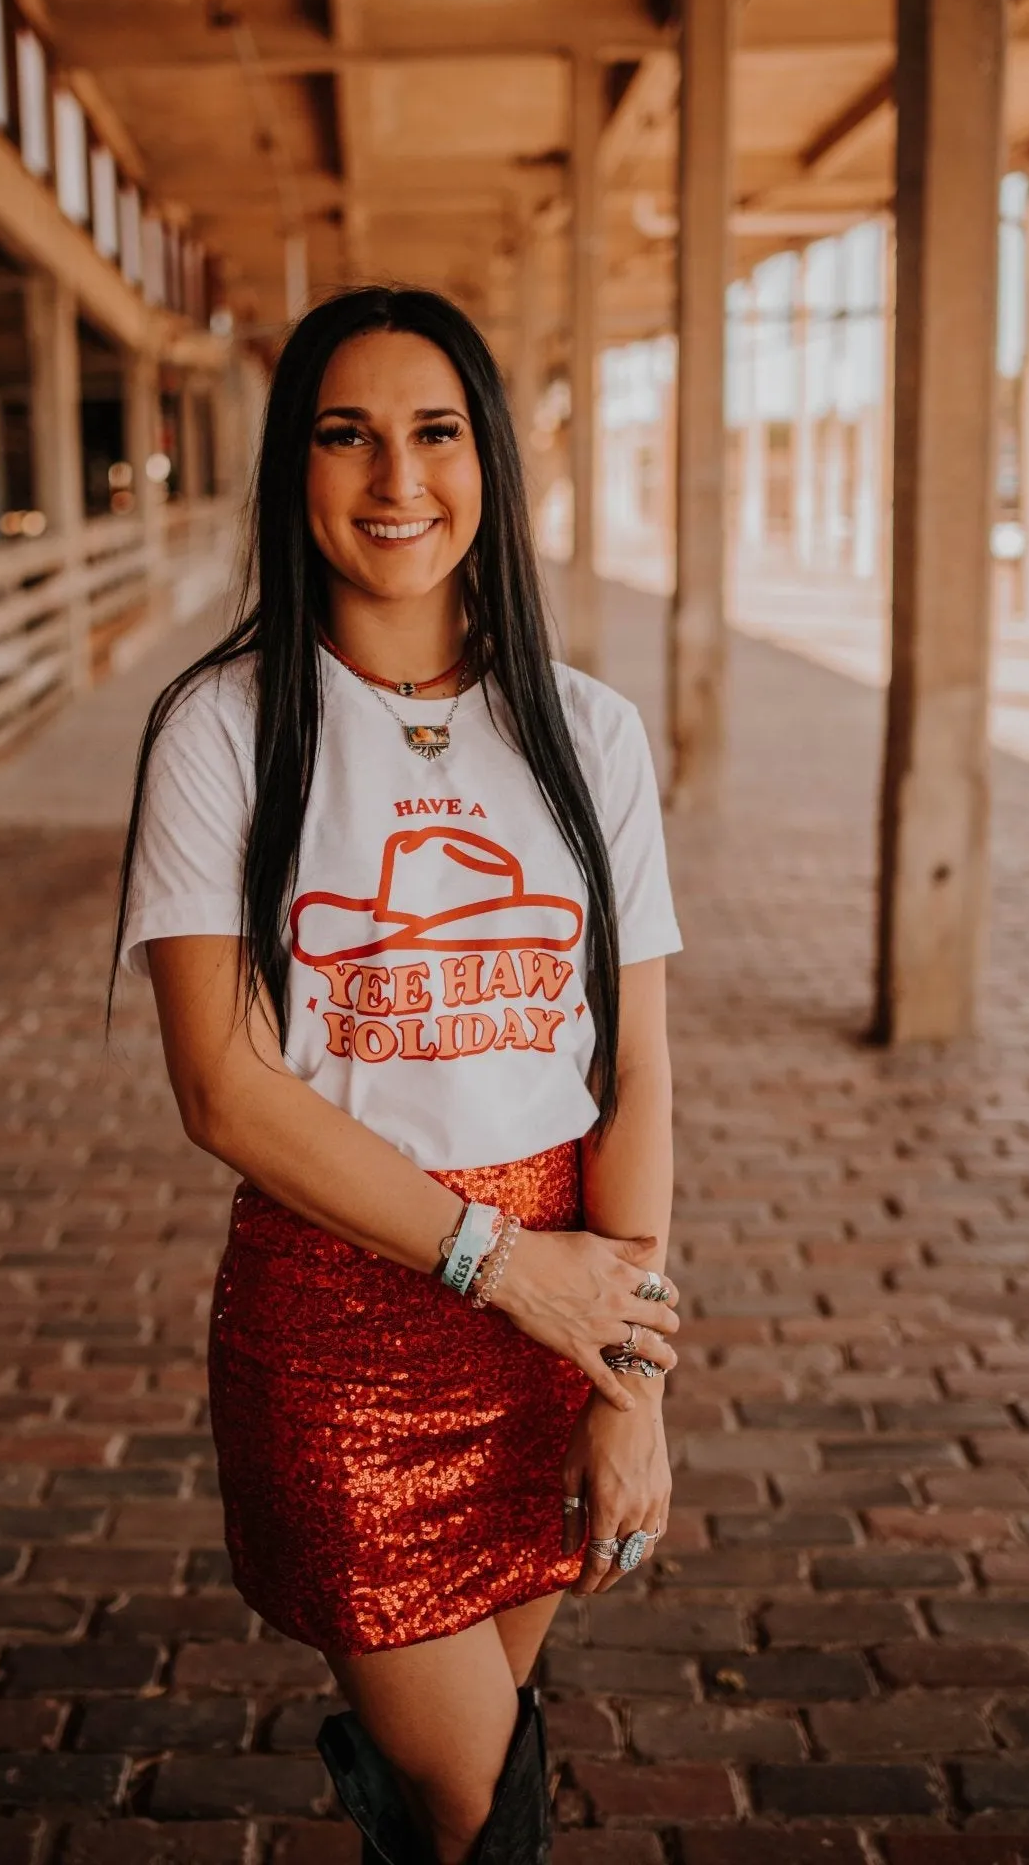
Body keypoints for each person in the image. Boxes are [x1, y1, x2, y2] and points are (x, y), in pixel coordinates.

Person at [111, 286, 682, 1865]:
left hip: (563, 1306)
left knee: (446, 1792)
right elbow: (225, 1093)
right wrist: (508, 1272)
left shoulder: (591, 734)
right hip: (344, 1314)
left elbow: (636, 1084)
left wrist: (624, 1380)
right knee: (474, 1786)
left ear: (490, 460)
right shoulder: (221, 731)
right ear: (292, 471)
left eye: (435, 433)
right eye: (345, 436)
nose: (395, 480)